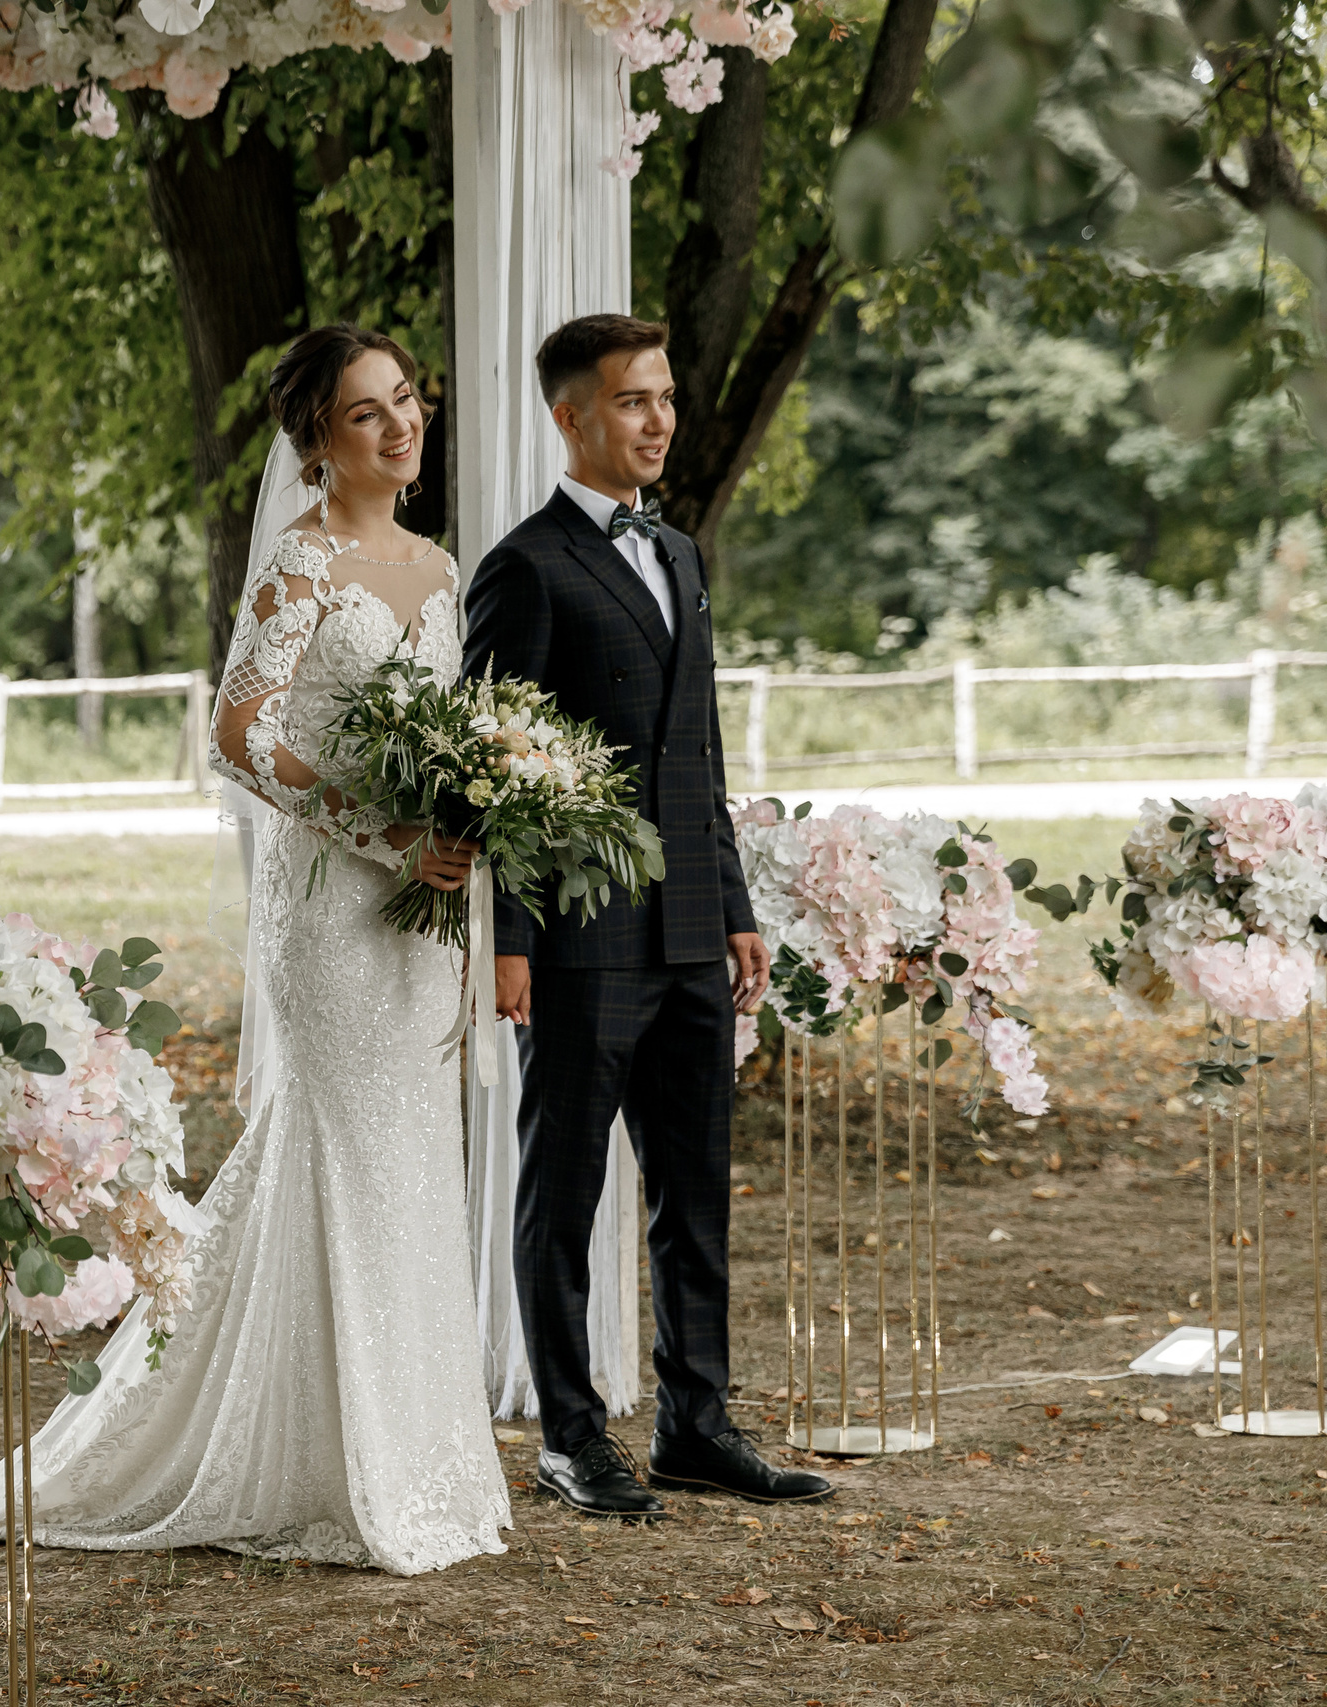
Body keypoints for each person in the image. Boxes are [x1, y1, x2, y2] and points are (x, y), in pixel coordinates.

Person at [10, 323, 511, 1574]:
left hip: (420, 915)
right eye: (364, 415)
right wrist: (380, 831)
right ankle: (352, 1474)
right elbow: (236, 738)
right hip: (333, 915)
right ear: (314, 444)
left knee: (404, 1165)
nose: (399, 427)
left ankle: (403, 1459)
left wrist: (454, 828)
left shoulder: (439, 571)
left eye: (405, 401)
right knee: (354, 1155)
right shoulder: (300, 565)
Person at [461, 313, 832, 1518]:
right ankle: (570, 1437)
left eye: (664, 396)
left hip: (684, 937)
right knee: (561, 1196)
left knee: (695, 1193)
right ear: (572, 417)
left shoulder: (677, 556)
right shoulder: (522, 570)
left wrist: (733, 906)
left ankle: (696, 1425)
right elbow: (496, 775)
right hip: (576, 944)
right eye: (632, 400)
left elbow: (697, 753)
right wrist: (509, 943)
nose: (660, 418)